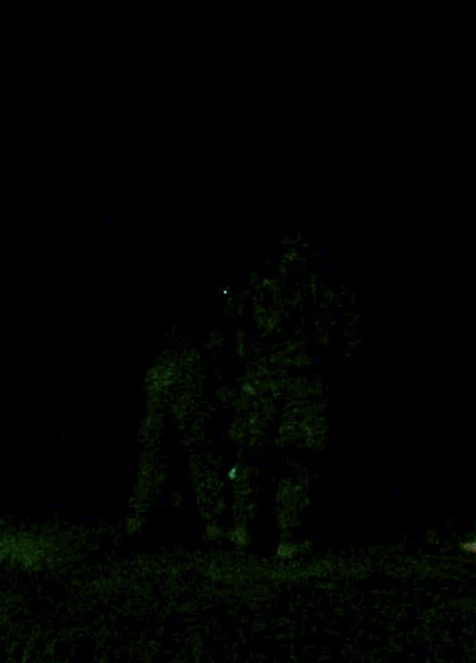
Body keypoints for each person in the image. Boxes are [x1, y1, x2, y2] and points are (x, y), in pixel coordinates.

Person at [228, 234, 359, 559]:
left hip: (266, 379)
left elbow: (236, 329)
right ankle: (284, 536)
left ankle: (249, 532)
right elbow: (342, 338)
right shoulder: (319, 289)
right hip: (298, 380)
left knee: (261, 457)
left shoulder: (262, 286)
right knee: (294, 460)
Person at [125, 285, 241, 550]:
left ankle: (142, 522)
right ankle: (209, 525)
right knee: (197, 453)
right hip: (185, 370)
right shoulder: (202, 313)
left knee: (164, 454)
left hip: (171, 370)